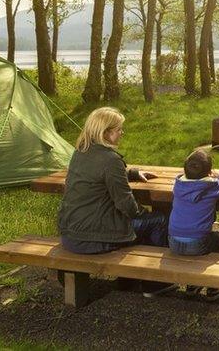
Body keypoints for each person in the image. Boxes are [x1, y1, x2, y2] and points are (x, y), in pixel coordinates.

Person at [56, 106, 176, 297]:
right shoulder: (110, 160)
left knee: (141, 224)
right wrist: (144, 213)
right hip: (93, 239)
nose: (122, 133)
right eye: (118, 129)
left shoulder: (80, 152)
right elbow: (126, 205)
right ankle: (155, 283)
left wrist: (131, 173)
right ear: (106, 133)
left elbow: (98, 175)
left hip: (70, 234)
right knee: (159, 220)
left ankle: (128, 278)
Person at [168, 148, 219, 300]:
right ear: (209, 172)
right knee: (218, 238)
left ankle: (193, 284)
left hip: (172, 242)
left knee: (202, 239)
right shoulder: (211, 187)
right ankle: (213, 287)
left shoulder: (178, 185)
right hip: (197, 243)